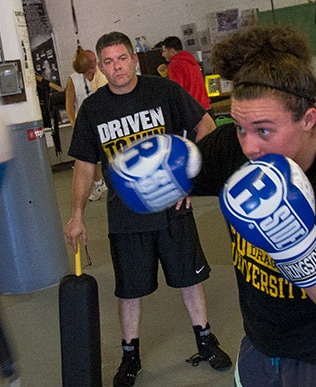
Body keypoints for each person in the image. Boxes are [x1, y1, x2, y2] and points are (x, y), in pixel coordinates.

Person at [188, 25, 316, 386]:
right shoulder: (235, 147)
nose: (249, 147)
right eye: (239, 127)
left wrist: (293, 244)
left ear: (308, 119)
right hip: (259, 346)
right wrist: (161, 175)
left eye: (264, 130)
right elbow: (181, 177)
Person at [64, 31, 230, 387]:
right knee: (129, 289)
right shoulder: (93, 109)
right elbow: (83, 165)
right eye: (108, 61)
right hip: (125, 216)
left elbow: (207, 126)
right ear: (100, 67)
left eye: (122, 58)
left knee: (190, 280)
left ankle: (206, 341)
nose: (116, 67)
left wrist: (192, 180)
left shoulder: (164, 91)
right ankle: (130, 357)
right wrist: (76, 214)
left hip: (173, 208)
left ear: (134, 59)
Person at [65, 47, 109, 201]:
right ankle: (98, 183)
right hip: (85, 122)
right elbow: (69, 103)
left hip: (103, 120)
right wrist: (73, 122)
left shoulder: (101, 76)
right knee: (86, 157)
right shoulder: (74, 79)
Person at [161, 36, 210, 112]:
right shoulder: (191, 60)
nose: (162, 55)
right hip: (205, 106)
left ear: (171, 51)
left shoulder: (175, 64)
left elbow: (176, 91)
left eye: (164, 51)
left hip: (192, 109)